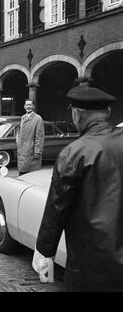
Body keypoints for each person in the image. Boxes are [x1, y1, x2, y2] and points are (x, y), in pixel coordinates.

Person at [32, 86, 123, 292]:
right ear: (107, 112)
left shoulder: (74, 152)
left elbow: (56, 207)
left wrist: (44, 251)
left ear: (76, 114)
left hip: (92, 262)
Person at [16, 99, 45, 176]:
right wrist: (18, 141)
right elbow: (20, 131)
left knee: (31, 176)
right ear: (24, 106)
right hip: (22, 151)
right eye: (27, 105)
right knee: (22, 176)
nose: (28, 106)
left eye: (30, 105)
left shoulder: (38, 119)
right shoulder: (23, 118)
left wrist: (37, 152)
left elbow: (39, 137)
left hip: (31, 152)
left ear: (33, 106)